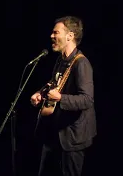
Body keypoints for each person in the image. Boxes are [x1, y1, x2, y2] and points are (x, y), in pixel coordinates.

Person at [30, 16, 97, 176]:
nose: (51, 36)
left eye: (56, 32)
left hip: (72, 136)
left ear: (70, 36)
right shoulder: (61, 60)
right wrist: (41, 92)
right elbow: (54, 82)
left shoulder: (81, 64)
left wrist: (60, 98)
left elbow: (87, 99)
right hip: (55, 131)